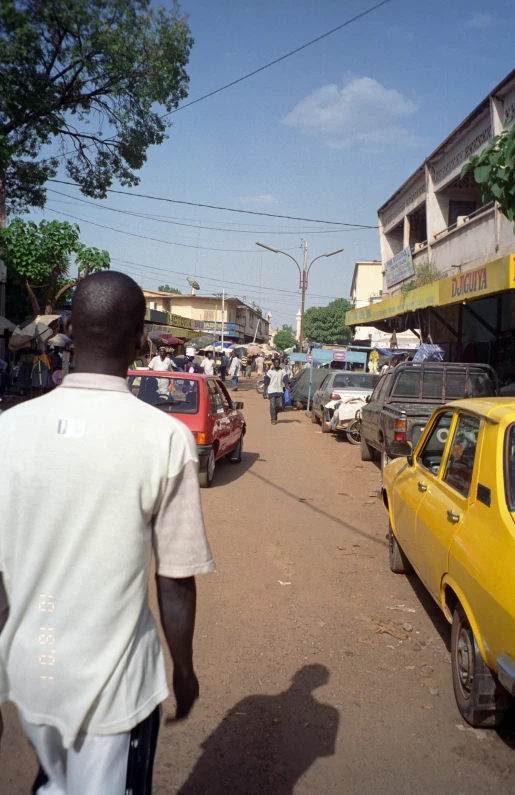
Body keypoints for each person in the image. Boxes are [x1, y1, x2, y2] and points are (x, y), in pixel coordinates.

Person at [0, 271, 214, 794]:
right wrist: (182, 672)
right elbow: (175, 576)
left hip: (33, 671)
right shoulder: (164, 438)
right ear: (142, 338)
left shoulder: (9, 430)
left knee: (52, 781)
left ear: (68, 328)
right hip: (114, 687)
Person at [264, 357, 289, 425]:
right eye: (276, 363)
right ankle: (273, 419)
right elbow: (266, 382)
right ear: (274, 363)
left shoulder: (282, 371)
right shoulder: (270, 371)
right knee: (272, 405)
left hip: (280, 390)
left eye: (278, 363)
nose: (277, 364)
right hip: (272, 390)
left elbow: (285, 379)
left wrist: (287, 385)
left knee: (281, 405)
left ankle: (274, 413)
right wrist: (264, 392)